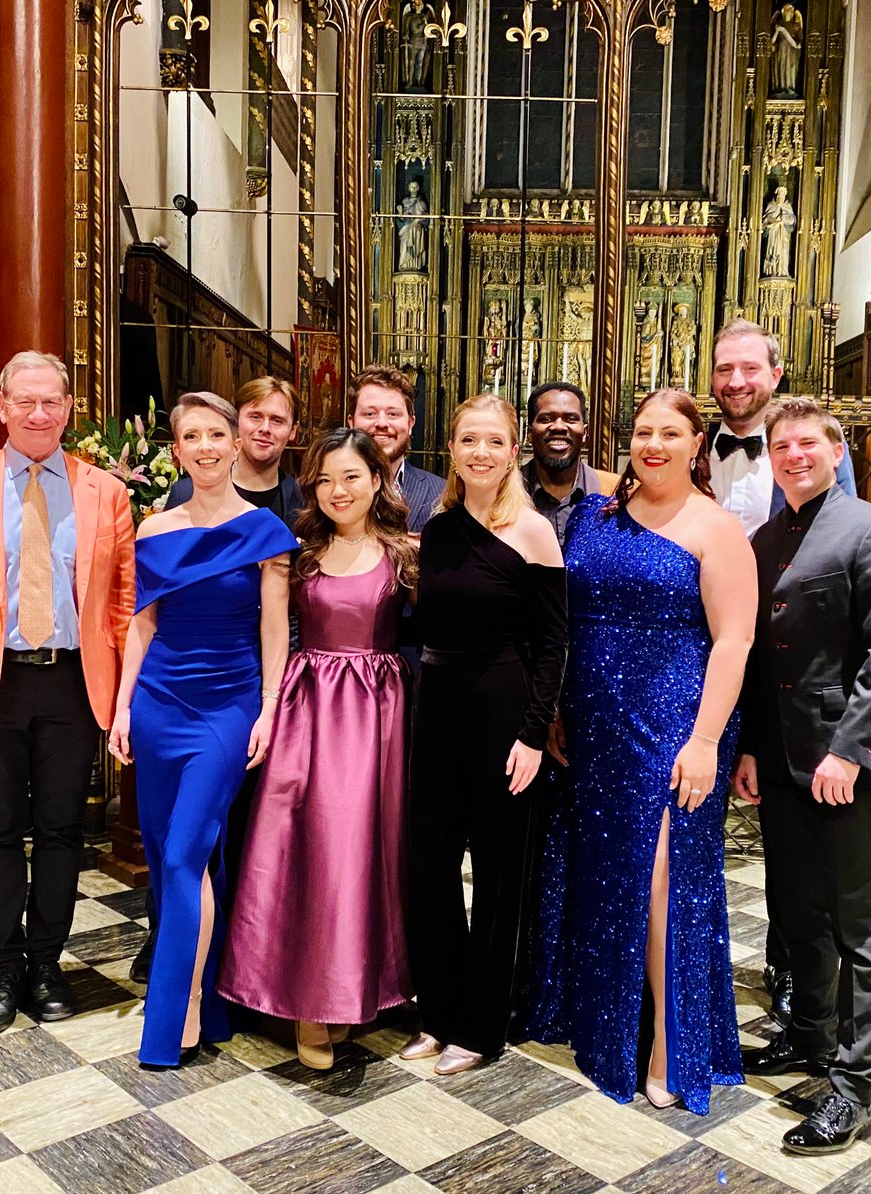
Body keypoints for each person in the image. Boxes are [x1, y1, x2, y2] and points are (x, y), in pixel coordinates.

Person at [530, 389, 755, 1114]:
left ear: (697, 444)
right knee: (598, 872)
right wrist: (560, 708)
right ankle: (602, 1025)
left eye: (669, 433)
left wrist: (707, 741)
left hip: (673, 727)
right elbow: (567, 620)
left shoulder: (717, 529)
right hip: (594, 725)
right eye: (641, 431)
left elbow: (734, 641)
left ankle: (668, 1042)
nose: (652, 444)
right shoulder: (598, 516)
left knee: (660, 880)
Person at [0, 350, 134, 1034]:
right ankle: (3, 970)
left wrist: (128, 698)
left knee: (64, 829)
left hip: (73, 680)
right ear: (3, 408)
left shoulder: (106, 491)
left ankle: (47, 964)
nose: (40, 414)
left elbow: (125, 606)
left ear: (69, 409)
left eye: (53, 402)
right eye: (26, 402)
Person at [736, 398, 871, 1154]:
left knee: (858, 925)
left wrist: (848, 748)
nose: (793, 455)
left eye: (807, 443)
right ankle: (807, 1036)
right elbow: (755, 655)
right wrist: (750, 746)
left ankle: (854, 1086)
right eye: (781, 446)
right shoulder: (765, 537)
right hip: (781, 761)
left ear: (835, 450)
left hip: (848, 763)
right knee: (796, 913)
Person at [109, 391, 297, 1068]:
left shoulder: (268, 531)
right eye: (194, 436)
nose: (209, 446)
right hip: (159, 703)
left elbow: (274, 626)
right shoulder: (155, 529)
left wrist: (271, 707)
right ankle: (207, 998)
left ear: (235, 440)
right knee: (169, 861)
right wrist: (124, 707)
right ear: (178, 449)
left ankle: (177, 1010)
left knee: (187, 852)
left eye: (218, 433)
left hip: (227, 708)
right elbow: (143, 623)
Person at [219, 428, 416, 1070]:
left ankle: (361, 987)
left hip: (379, 715)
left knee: (365, 850)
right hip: (308, 707)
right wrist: (268, 705)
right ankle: (307, 1001)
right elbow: (269, 631)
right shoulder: (296, 553)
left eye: (352, 477)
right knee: (304, 846)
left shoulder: (406, 554)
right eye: (326, 479)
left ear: (378, 481)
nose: (338, 490)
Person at [403, 394, 567, 1075]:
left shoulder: (533, 532)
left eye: (493, 441)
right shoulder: (436, 532)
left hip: (504, 716)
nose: (479, 452)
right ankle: (437, 1012)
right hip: (436, 708)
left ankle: (481, 1025)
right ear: (452, 448)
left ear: (511, 452)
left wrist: (533, 735)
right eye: (468, 439)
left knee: (500, 877)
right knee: (429, 866)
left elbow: (555, 647)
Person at [708, 317, 856, 1026]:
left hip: (783, 663)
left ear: (775, 374)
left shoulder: (810, 451)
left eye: (749, 369)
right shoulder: (695, 445)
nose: (736, 381)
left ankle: (794, 974)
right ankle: (691, 960)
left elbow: (840, 545)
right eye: (723, 369)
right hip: (706, 654)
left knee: (797, 844)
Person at [167, 377, 302, 532]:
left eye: (277, 420)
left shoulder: (303, 499)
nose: (265, 428)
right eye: (255, 417)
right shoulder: (184, 493)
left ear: (292, 431)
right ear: (236, 421)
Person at [348, 363, 444, 533]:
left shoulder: (441, 494)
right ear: (351, 422)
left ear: (410, 424)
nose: (382, 423)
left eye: (393, 414)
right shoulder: (324, 490)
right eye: (369, 414)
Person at [521, 381, 618, 544]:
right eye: (546, 419)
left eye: (571, 419)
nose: (559, 427)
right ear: (529, 433)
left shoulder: (617, 491)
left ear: (585, 433)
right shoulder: (502, 492)